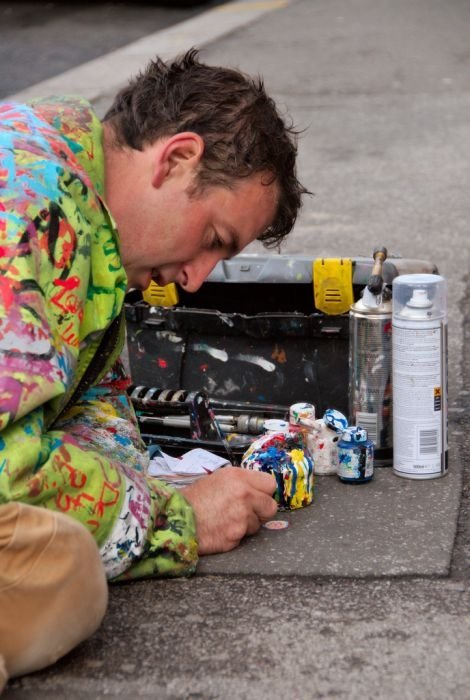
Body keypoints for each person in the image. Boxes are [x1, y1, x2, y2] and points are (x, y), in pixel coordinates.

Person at [0, 49, 307, 687]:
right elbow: (11, 474)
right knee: (62, 576)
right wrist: (178, 520)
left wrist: (143, 489)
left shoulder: (82, 197)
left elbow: (89, 407)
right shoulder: (37, 207)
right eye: (214, 239)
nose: (196, 281)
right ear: (176, 158)